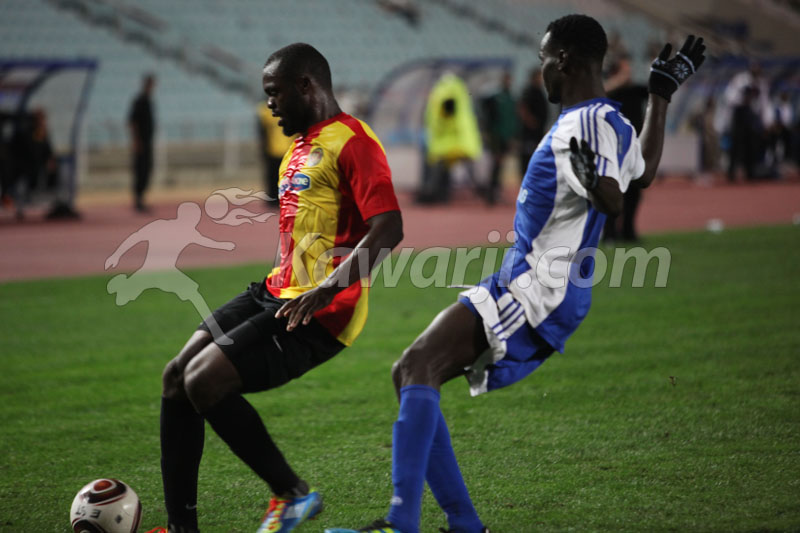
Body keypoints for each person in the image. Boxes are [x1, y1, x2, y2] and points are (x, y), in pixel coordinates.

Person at [326, 15, 704, 533]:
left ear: (566, 61)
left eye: (545, 59)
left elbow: (615, 198)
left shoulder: (583, 124)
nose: (541, 69)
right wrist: (660, 97)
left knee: (416, 367)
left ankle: (403, 524)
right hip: (531, 284)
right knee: (412, 370)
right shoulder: (611, 119)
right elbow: (647, 167)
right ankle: (461, 525)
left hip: (536, 289)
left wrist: (597, 183)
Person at [152, 43, 403, 533]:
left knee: (204, 382)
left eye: (274, 93)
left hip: (323, 310)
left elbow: (389, 229)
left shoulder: (354, 141)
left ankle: (293, 495)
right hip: (276, 292)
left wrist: (327, 289)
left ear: (306, 86)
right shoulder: (298, 147)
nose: (269, 105)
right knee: (176, 378)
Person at [603, 53, 649, 242]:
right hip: (613, 149)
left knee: (634, 193)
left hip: (632, 148)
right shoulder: (610, 92)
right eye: (624, 70)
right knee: (613, 192)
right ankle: (609, 233)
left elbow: (655, 93)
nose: (628, 74)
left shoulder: (635, 90)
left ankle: (628, 230)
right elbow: (599, 94)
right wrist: (617, 81)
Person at [481, 71, 518, 205]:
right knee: (496, 163)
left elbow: (513, 119)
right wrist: (489, 133)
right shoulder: (495, 97)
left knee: (500, 164)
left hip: (506, 136)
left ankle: (495, 190)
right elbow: (489, 116)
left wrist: (513, 136)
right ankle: (491, 192)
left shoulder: (511, 98)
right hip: (496, 135)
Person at [256, 100, 295, 207]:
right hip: (273, 149)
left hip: (288, 149)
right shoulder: (265, 111)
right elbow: (262, 132)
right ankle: (273, 199)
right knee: (273, 176)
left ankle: (282, 198)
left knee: (287, 176)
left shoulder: (292, 109)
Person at [128, 74, 156, 212]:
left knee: (147, 169)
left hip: (148, 142)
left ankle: (141, 198)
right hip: (141, 143)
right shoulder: (139, 101)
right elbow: (132, 122)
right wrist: (136, 141)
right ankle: (138, 199)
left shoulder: (149, 101)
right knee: (140, 170)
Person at [516, 67, 548, 179]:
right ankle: (525, 178)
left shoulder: (540, 92)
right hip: (529, 133)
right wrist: (530, 121)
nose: (541, 79)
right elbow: (522, 108)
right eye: (539, 77)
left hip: (539, 132)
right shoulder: (528, 91)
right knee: (527, 156)